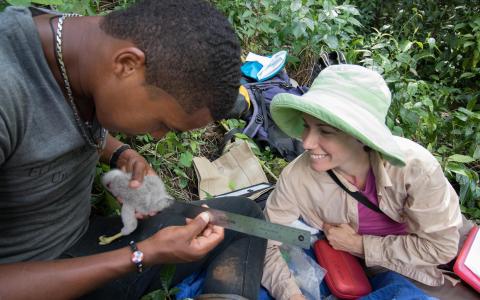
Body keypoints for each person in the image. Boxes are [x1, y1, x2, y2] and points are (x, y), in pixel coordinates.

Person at [0, 1, 266, 299]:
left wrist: (119, 153)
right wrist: (140, 255)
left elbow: (55, 119)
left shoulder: (84, 45)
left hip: (85, 243)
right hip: (28, 278)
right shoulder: (7, 88)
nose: (156, 136)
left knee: (246, 218)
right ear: (127, 64)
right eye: (161, 122)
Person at [261, 64, 476, 300]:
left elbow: (440, 247)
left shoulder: (415, 168)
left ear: (360, 135)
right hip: (393, 269)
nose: (307, 143)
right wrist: (292, 296)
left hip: (455, 252)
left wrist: (360, 245)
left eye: (325, 131)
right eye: (306, 126)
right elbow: (265, 242)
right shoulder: (297, 177)